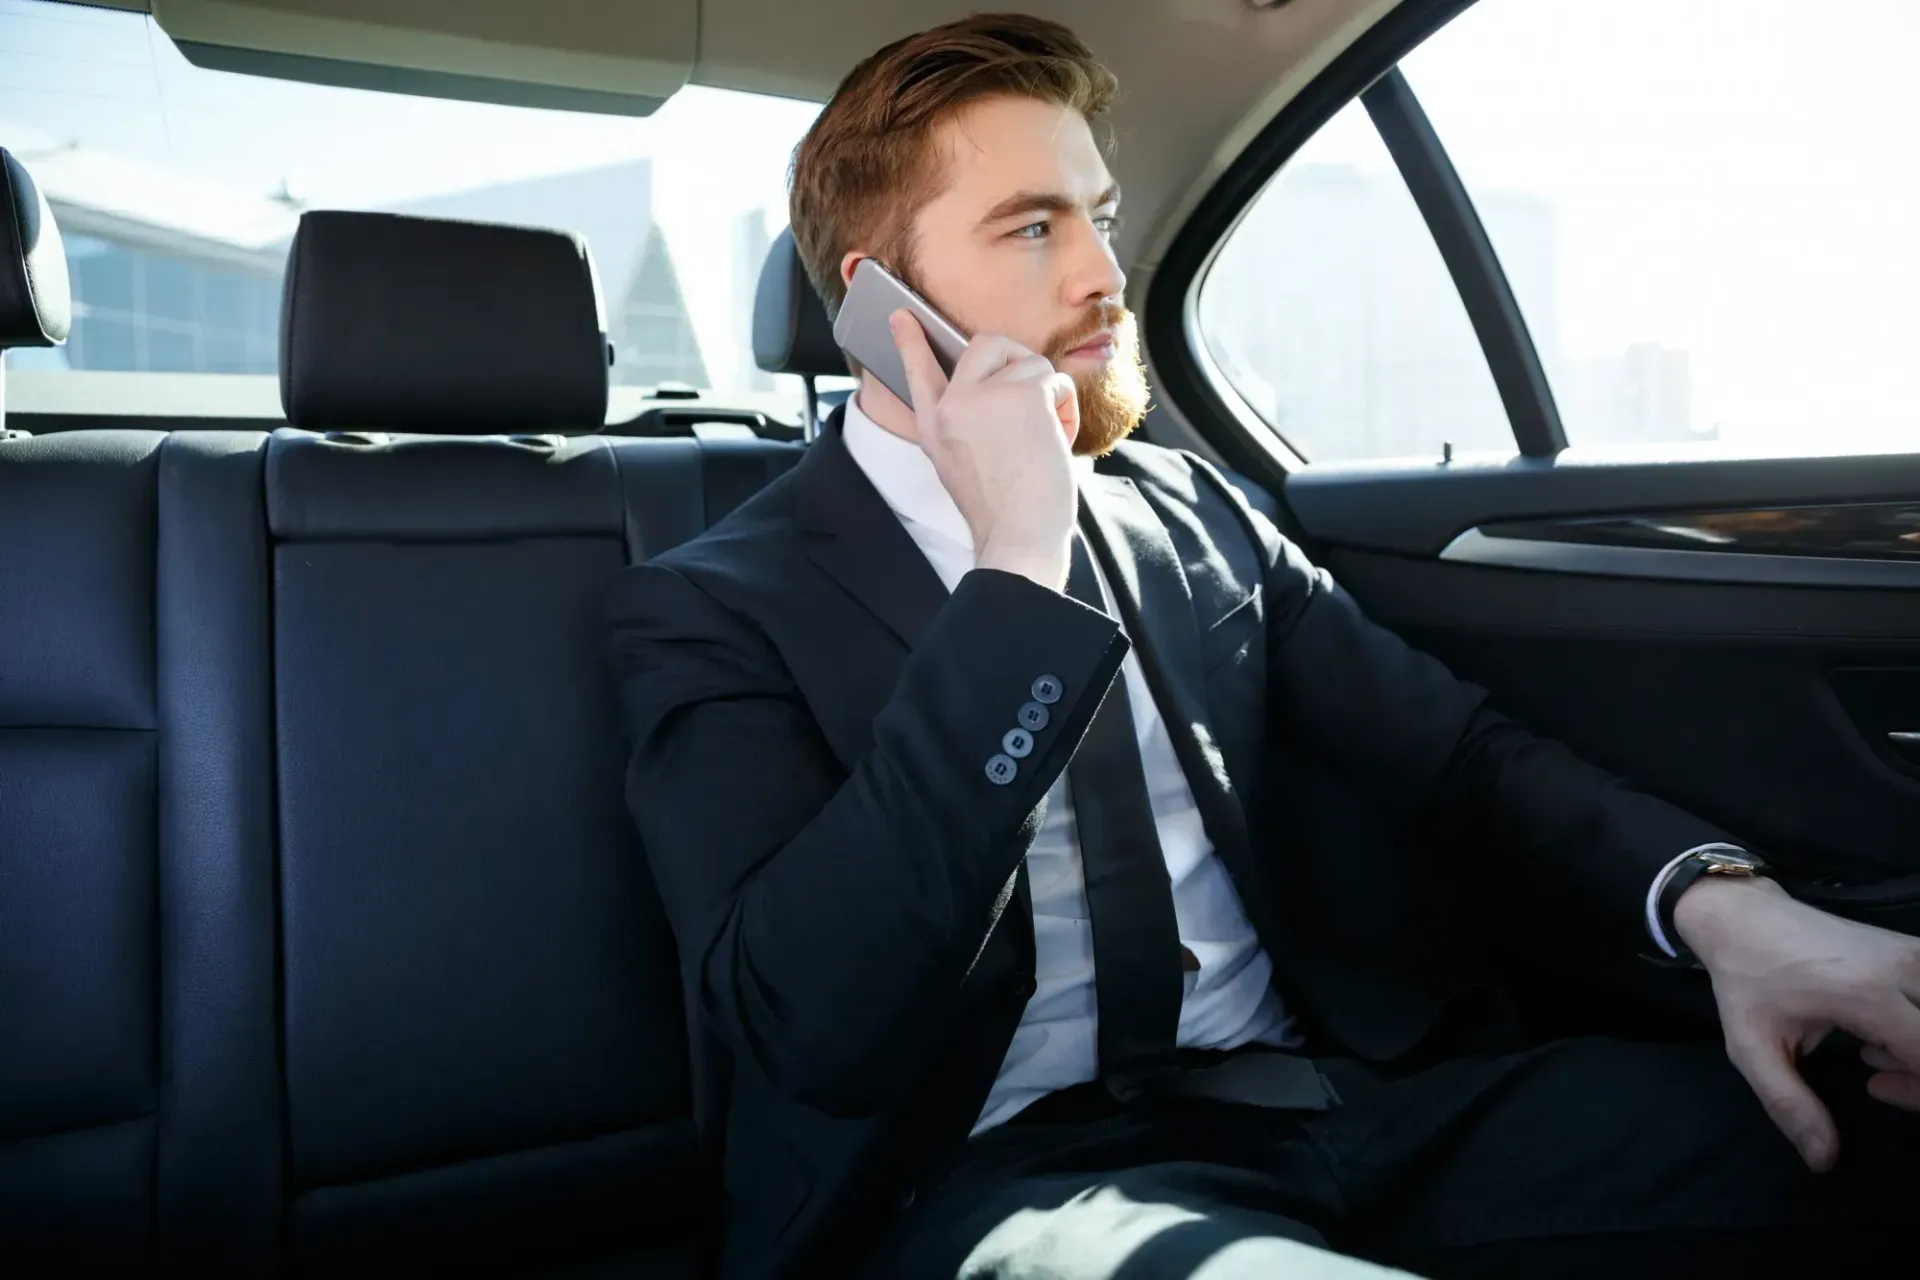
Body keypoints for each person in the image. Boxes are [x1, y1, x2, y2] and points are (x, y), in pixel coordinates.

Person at [605, 14, 1920, 1279]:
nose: (1102, 274)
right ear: (880, 300)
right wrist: (1013, 571)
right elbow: (805, 1026)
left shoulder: (1196, 514)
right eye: (1032, 227)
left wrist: (1732, 912)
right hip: (991, 1179)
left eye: (1100, 216)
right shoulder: (711, 605)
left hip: (1342, 1107)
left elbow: (1459, 758)